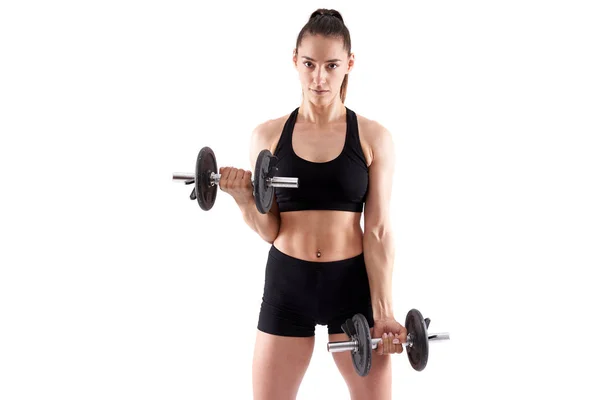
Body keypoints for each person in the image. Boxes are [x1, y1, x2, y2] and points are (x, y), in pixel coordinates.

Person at [218, 9, 406, 400]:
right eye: (310, 64)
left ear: (349, 64)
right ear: (295, 60)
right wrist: (242, 199)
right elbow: (271, 228)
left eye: (331, 65)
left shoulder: (373, 136)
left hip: (351, 286)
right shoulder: (267, 136)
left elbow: (378, 230)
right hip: (289, 285)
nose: (319, 78)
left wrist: (385, 311)